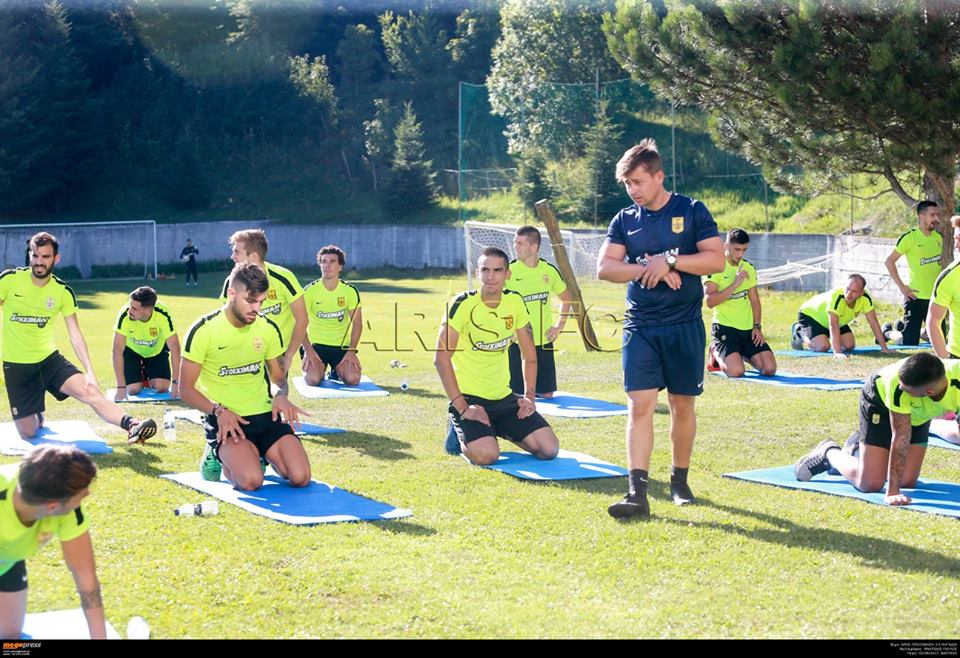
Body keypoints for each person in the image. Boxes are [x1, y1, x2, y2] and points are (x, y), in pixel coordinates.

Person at [596, 139, 724, 519]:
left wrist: (669, 261)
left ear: (658, 176)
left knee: (682, 406)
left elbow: (715, 260)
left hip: (684, 325)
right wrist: (646, 269)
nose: (632, 190)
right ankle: (637, 493)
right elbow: (605, 268)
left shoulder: (691, 210)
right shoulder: (624, 220)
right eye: (627, 184)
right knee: (639, 405)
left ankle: (679, 481)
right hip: (641, 326)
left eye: (637, 182)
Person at [0, 232, 156, 443]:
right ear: (29, 254)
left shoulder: (62, 291)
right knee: (28, 432)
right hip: (17, 366)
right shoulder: (9, 280)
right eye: (35, 255)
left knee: (89, 391)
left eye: (45, 256)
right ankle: (37, 414)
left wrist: (89, 371)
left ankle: (132, 425)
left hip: (48, 360)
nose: (39, 261)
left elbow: (75, 334)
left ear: (56, 258)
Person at [182, 263, 311, 490]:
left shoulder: (267, 327)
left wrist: (280, 395)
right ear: (231, 293)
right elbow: (185, 389)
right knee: (252, 481)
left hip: (266, 416)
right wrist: (217, 411)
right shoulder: (203, 330)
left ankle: (257, 453)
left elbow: (278, 379)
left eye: (261, 302)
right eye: (250, 301)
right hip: (229, 420)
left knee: (300, 477)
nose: (256, 308)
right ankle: (218, 454)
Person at [435, 248, 560, 465]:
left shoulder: (515, 302)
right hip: (469, 399)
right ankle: (458, 430)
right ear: (477, 273)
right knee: (487, 456)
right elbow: (441, 359)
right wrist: (463, 407)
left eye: (497, 270)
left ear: (507, 274)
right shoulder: (462, 304)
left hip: (504, 398)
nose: (490, 276)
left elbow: (529, 356)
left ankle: (493, 427)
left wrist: (529, 398)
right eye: (485, 270)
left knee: (549, 449)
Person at [794, 352, 958, 505]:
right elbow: (901, 437)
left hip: (920, 415)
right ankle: (829, 452)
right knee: (870, 483)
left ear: (929, 392)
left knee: (907, 481)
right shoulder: (896, 384)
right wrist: (893, 492)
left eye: (907, 390)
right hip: (879, 403)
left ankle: (857, 451)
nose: (902, 388)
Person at [0, 445, 105, 639]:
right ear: (52, 507)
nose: (87, 495)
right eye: (82, 493)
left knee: (10, 641)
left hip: (8, 563)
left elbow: (86, 579)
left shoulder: (70, 511)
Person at [219, 229, 307, 371]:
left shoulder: (283, 278)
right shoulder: (231, 282)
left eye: (237, 252)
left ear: (253, 256)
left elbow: (302, 319)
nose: (232, 257)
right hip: (245, 355)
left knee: (278, 386)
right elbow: (227, 321)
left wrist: (289, 356)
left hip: (277, 355)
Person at [508, 226, 573, 398]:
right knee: (516, 395)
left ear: (534, 247)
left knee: (547, 395)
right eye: (515, 242)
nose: (515, 246)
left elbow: (567, 298)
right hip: (517, 342)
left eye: (520, 243)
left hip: (543, 341)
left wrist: (559, 327)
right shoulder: (508, 272)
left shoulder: (549, 270)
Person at [704, 228, 776, 377]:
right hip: (725, 329)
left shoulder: (748, 267)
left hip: (748, 330)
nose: (741, 254)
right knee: (737, 372)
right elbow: (710, 302)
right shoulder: (715, 267)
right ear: (726, 246)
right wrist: (735, 284)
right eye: (737, 249)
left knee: (769, 369)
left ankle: (741, 353)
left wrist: (757, 327)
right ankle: (715, 350)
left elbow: (755, 301)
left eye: (744, 250)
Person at [301, 246, 363, 386]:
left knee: (353, 379)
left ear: (340, 266)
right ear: (320, 265)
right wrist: (308, 350)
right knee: (312, 380)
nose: (327, 265)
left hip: (341, 347)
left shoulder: (350, 291)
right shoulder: (310, 291)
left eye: (332, 261)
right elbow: (299, 323)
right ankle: (320, 370)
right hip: (316, 345)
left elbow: (357, 323)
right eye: (324, 261)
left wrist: (351, 351)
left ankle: (336, 371)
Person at [792, 274, 891, 358]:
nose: (848, 294)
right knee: (823, 347)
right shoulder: (836, 296)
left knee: (849, 346)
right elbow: (833, 325)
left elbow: (873, 323)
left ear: (861, 293)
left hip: (835, 321)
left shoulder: (866, 298)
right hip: (811, 315)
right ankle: (800, 332)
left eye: (854, 291)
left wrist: (884, 348)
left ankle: (823, 335)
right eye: (847, 289)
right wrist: (837, 352)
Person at [884, 201, 941, 345]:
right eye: (932, 215)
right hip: (915, 298)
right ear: (921, 216)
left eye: (937, 215)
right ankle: (888, 332)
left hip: (935, 299)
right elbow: (889, 261)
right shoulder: (909, 238)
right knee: (908, 342)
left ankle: (915, 330)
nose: (936, 218)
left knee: (938, 339)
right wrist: (902, 287)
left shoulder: (938, 238)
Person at [111, 286, 181, 401]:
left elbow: (175, 347)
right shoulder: (125, 315)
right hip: (132, 351)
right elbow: (117, 350)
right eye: (130, 306)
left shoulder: (162, 313)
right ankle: (141, 375)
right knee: (133, 390)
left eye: (134, 308)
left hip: (156, 351)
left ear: (147, 310)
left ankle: (146, 372)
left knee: (162, 387)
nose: (129, 311)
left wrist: (176, 382)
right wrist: (121, 387)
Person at [926, 215, 960, 358]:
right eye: (955, 239)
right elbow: (933, 322)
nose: (956, 245)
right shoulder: (949, 277)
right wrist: (946, 362)